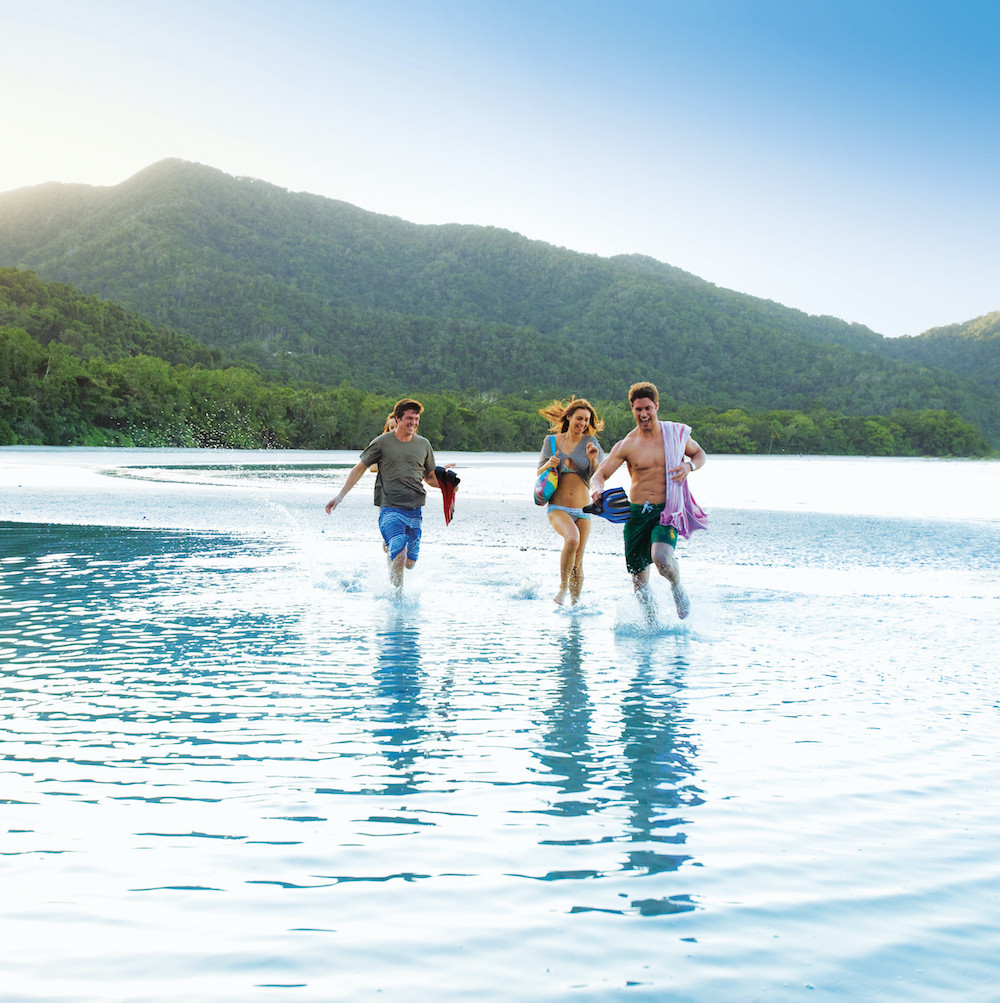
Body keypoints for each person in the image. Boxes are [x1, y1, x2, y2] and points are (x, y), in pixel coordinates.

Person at [590, 382, 707, 620]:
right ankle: (652, 626)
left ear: (656, 406)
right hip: (636, 515)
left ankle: (676, 587)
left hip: (667, 511)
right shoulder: (627, 444)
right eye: (638, 409)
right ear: (632, 410)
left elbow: (699, 453)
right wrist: (597, 489)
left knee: (661, 559)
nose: (643, 414)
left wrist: (689, 465)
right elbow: (599, 475)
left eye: (648, 408)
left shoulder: (675, 434)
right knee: (638, 581)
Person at [326, 397, 446, 590]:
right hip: (389, 508)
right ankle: (396, 602)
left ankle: (391, 558)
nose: (413, 423)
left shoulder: (424, 445)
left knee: (409, 563)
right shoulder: (381, 443)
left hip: (415, 510)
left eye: (416, 419)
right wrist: (340, 496)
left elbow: (430, 477)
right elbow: (359, 469)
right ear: (398, 419)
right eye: (409, 418)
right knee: (400, 554)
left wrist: (447, 485)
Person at [537, 397, 605, 605]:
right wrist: (549, 463)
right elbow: (539, 473)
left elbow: (598, 477)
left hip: (584, 510)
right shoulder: (551, 442)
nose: (583, 423)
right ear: (569, 417)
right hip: (558, 507)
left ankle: (575, 608)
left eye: (587, 420)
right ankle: (562, 589)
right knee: (572, 539)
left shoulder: (592, 444)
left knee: (578, 563)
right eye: (579, 418)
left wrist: (593, 459)